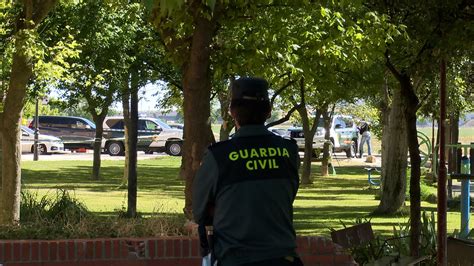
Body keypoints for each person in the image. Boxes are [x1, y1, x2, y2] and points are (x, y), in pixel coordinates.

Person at [192, 77, 303, 266]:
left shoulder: (219, 156)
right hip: (284, 258)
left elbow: (199, 212)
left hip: (235, 259)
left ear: (232, 112)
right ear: (268, 112)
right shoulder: (289, 152)